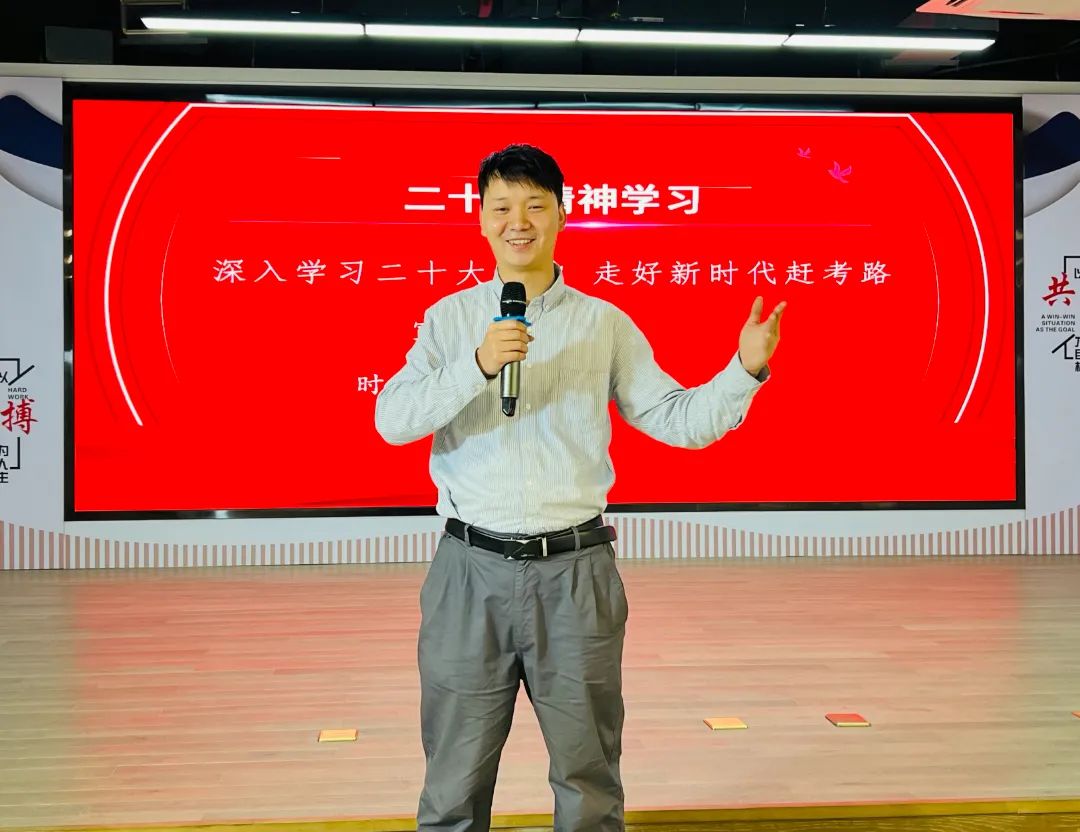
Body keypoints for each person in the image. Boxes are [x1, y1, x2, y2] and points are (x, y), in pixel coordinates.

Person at [374, 143, 785, 832]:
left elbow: (676, 419)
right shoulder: (449, 320)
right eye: (502, 207)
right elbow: (393, 420)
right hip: (468, 572)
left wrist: (743, 370)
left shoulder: (604, 323)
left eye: (535, 206)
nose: (518, 222)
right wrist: (478, 363)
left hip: (575, 573)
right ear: (481, 219)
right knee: (452, 781)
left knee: (588, 774)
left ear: (563, 215)